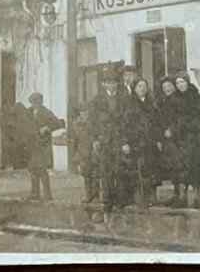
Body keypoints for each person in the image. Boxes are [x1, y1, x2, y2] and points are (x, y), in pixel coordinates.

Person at [89, 66, 126, 214]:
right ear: (103, 84)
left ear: (117, 84)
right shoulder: (97, 100)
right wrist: (95, 139)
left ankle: (120, 200)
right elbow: (92, 122)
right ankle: (107, 202)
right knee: (105, 171)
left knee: (119, 169)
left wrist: (125, 141)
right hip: (104, 140)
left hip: (119, 140)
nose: (111, 85)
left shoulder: (123, 99)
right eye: (108, 82)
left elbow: (126, 121)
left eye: (114, 82)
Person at [123, 77, 160, 207]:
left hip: (150, 141)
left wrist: (158, 139)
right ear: (134, 89)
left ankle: (151, 195)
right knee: (138, 169)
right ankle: (139, 196)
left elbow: (157, 123)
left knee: (151, 168)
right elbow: (125, 125)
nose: (142, 89)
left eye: (144, 86)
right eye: (139, 86)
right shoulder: (129, 104)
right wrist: (125, 142)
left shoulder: (152, 103)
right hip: (136, 142)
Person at [175, 70, 200, 209]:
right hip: (179, 138)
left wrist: (190, 125)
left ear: (187, 82)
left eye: (182, 82)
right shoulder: (175, 98)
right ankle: (182, 196)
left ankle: (196, 196)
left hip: (193, 137)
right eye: (177, 83)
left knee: (194, 165)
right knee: (181, 167)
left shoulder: (195, 96)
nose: (180, 85)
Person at [25, 92, 65, 201]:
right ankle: (35, 193)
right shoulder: (28, 112)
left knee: (42, 170)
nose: (35, 104)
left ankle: (47, 195)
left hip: (43, 145)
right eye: (33, 101)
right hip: (32, 145)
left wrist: (47, 128)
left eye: (37, 101)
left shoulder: (46, 112)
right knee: (33, 169)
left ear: (41, 101)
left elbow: (58, 123)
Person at [156, 76, 186, 208]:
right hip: (166, 140)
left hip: (178, 139)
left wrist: (172, 130)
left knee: (179, 167)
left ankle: (182, 197)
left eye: (169, 86)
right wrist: (160, 137)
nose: (167, 89)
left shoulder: (179, 100)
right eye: (164, 87)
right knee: (172, 168)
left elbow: (182, 119)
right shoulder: (162, 101)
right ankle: (176, 194)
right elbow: (159, 121)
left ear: (174, 87)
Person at [69, 102, 99, 204]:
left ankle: (96, 196)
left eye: (86, 111)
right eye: (82, 111)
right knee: (86, 175)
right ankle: (88, 195)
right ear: (80, 113)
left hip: (93, 152)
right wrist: (75, 156)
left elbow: (98, 136)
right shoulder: (76, 124)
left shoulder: (94, 123)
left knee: (95, 174)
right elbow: (74, 141)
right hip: (82, 153)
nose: (85, 113)